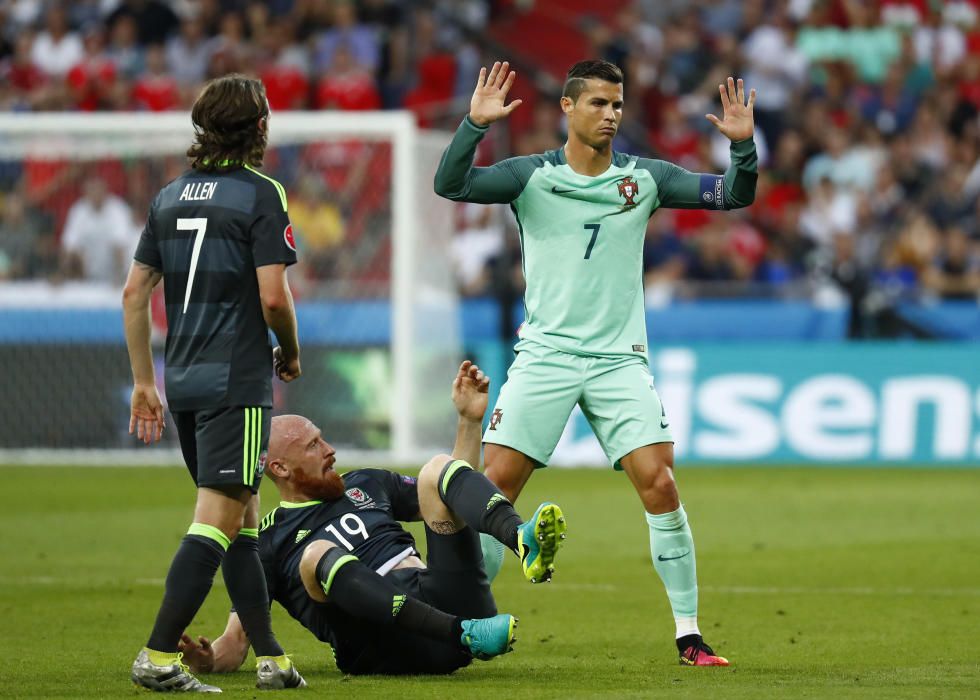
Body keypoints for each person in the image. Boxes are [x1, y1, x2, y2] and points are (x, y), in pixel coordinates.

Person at [434, 59, 759, 666]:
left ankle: (689, 635)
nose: (611, 114)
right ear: (567, 106)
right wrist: (473, 126)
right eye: (598, 104)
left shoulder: (647, 178)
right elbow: (451, 185)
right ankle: (447, 621)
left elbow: (734, 195)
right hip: (546, 356)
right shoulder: (529, 177)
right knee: (493, 490)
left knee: (660, 484)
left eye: (617, 105)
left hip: (618, 361)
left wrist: (741, 148)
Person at [176, 361, 566, 677]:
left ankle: (520, 537)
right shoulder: (267, 542)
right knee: (316, 555)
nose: (329, 450)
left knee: (436, 469)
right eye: (313, 446)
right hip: (384, 644)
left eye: (323, 438)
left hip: (449, 603)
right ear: (279, 467)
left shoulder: (364, 482)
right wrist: (208, 661)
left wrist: (468, 422)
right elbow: (236, 642)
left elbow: (451, 497)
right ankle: (462, 634)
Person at [122, 74, 304, 692]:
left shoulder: (168, 196)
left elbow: (133, 293)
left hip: (186, 384)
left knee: (243, 523)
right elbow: (274, 297)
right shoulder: (261, 193)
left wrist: (144, 382)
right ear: (259, 129)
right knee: (215, 522)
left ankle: (272, 659)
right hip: (236, 381)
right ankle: (157, 656)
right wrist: (291, 350)